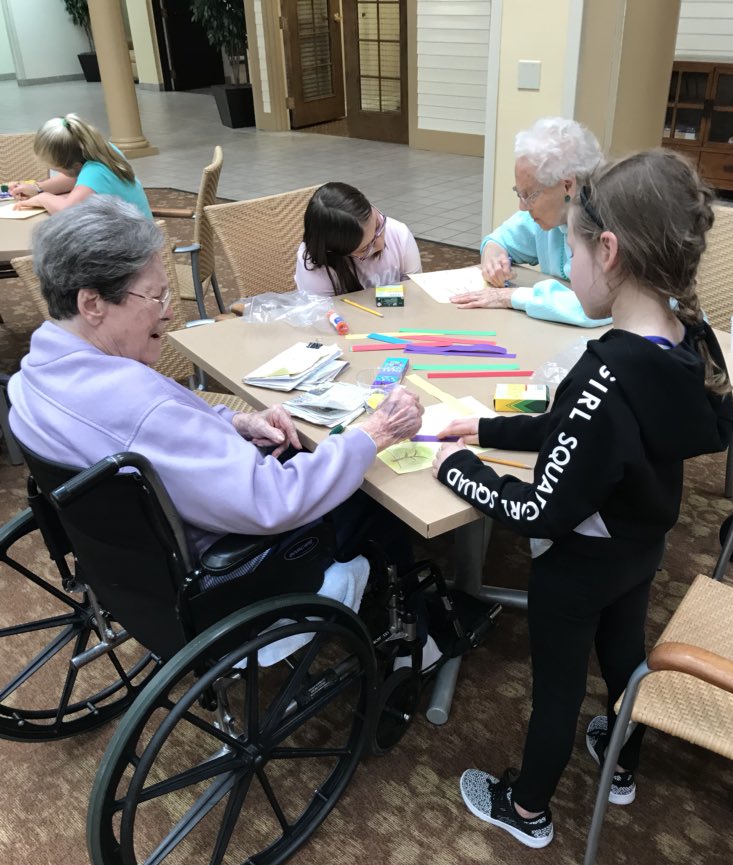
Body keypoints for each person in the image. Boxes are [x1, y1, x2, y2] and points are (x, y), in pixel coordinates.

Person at [432, 149, 733, 848]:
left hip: (579, 563)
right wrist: (481, 425)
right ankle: (622, 760)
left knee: (559, 688)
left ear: (608, 250)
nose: (566, 269)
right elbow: (582, 430)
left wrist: (459, 469)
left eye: (569, 249)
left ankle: (528, 807)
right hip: (641, 539)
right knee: (626, 648)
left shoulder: (602, 375)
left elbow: (539, 508)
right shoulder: (691, 337)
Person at [9, 198, 424, 599]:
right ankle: (418, 636)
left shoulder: (33, 375)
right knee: (374, 490)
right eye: (156, 297)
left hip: (129, 570)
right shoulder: (138, 405)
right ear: (92, 303)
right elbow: (274, 501)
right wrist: (374, 433)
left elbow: (163, 431)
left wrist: (234, 422)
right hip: (227, 569)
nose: (169, 313)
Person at [452, 116, 608, 328]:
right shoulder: (548, 218)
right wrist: (494, 259)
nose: (522, 207)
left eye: (530, 195)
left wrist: (510, 297)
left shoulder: (609, 222)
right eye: (520, 193)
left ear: (567, 186)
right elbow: (499, 240)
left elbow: (597, 305)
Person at [7, 113, 153, 220]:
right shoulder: (102, 151)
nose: (56, 172)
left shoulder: (95, 172)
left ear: (76, 166)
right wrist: (37, 189)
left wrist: (43, 198)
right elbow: (73, 179)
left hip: (134, 250)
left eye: (56, 169)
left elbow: (67, 211)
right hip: (140, 236)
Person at [295, 182, 422, 297]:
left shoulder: (398, 233)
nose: (381, 244)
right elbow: (324, 314)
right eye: (366, 248)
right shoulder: (316, 265)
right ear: (335, 251)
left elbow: (415, 293)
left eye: (378, 225)